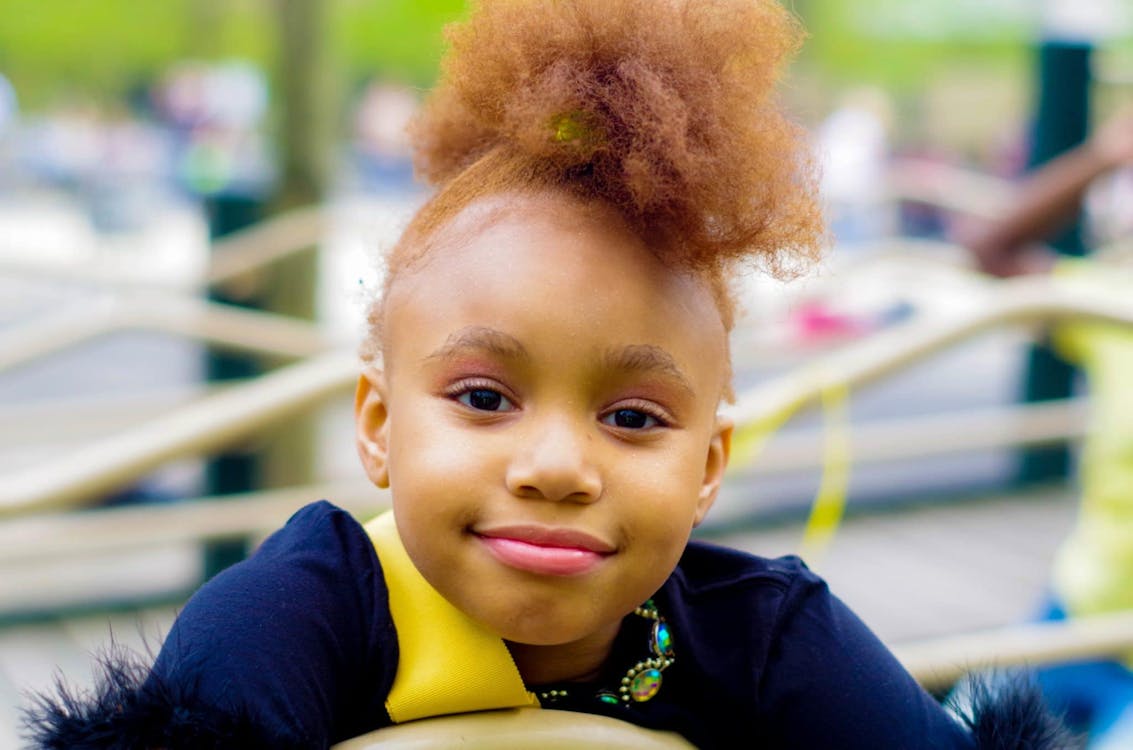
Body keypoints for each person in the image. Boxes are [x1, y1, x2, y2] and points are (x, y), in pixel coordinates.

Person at [24, 1, 1068, 748]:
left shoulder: (768, 640)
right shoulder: (291, 621)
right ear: (378, 426)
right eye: (483, 398)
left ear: (709, 466)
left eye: (631, 416)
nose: (557, 466)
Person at [960, 105, 1133, 750]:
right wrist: (1106, 153)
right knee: (947, 734)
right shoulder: (1113, 302)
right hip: (1077, 610)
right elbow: (989, 248)